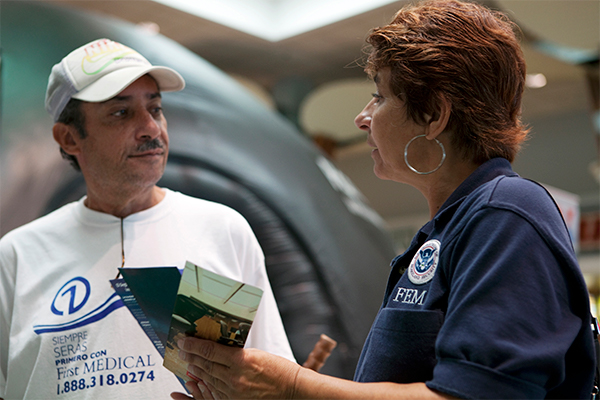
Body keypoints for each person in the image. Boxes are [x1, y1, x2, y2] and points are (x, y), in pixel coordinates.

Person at [172, 1, 596, 399]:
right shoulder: (448, 229)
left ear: (435, 115)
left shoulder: (506, 214)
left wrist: (296, 387)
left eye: (379, 95)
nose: (362, 117)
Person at [0, 38, 295, 400]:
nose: (151, 129)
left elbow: (273, 381)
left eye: (155, 109)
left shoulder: (222, 229)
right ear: (69, 137)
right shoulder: (17, 255)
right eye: (121, 113)